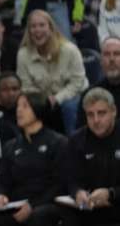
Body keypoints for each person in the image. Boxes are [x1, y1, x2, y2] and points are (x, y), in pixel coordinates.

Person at [0, 92, 65, 226]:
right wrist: (1, 195)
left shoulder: (58, 142)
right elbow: (3, 182)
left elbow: (59, 184)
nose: (19, 110)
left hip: (46, 203)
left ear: (38, 108)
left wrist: (32, 205)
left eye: (25, 106)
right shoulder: (10, 146)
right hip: (16, 203)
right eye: (18, 106)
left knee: (38, 215)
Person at [16, 9, 88, 133]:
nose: (38, 30)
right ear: (28, 31)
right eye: (33, 26)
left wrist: (57, 98)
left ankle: (73, 140)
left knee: (69, 106)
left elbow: (77, 82)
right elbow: (26, 86)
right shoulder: (23, 54)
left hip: (72, 96)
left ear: (51, 28)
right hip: (42, 100)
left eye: (42, 25)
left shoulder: (70, 50)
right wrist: (42, 100)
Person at [62, 88, 120, 224]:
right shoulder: (76, 140)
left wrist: (111, 193)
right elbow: (72, 179)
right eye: (90, 115)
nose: (96, 120)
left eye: (101, 113)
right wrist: (78, 192)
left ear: (114, 111)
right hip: (89, 210)